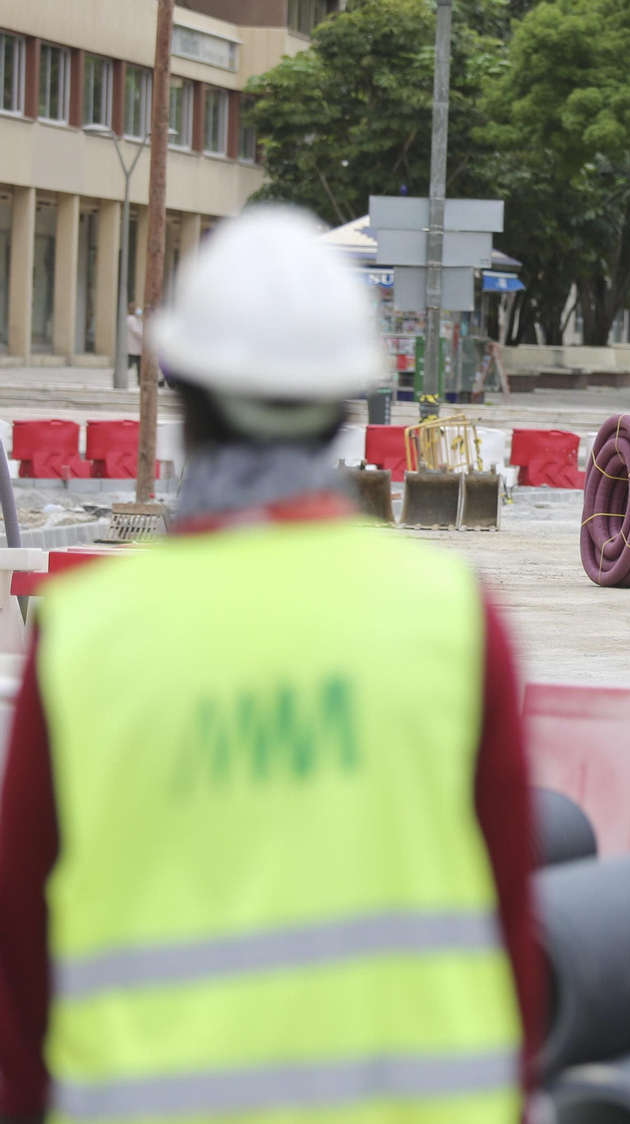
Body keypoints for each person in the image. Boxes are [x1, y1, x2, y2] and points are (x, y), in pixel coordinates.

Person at [0, 208, 541, 1124]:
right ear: (341, 406)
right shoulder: (450, 619)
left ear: (186, 396)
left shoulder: (87, 636)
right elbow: (511, 920)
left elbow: (19, 950)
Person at [124, 303, 142, 383]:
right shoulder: (131, 319)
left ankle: (140, 379)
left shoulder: (135, 319)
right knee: (130, 363)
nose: (139, 311)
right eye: (137, 309)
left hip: (136, 346)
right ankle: (118, 375)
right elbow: (137, 331)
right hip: (134, 346)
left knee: (139, 364)